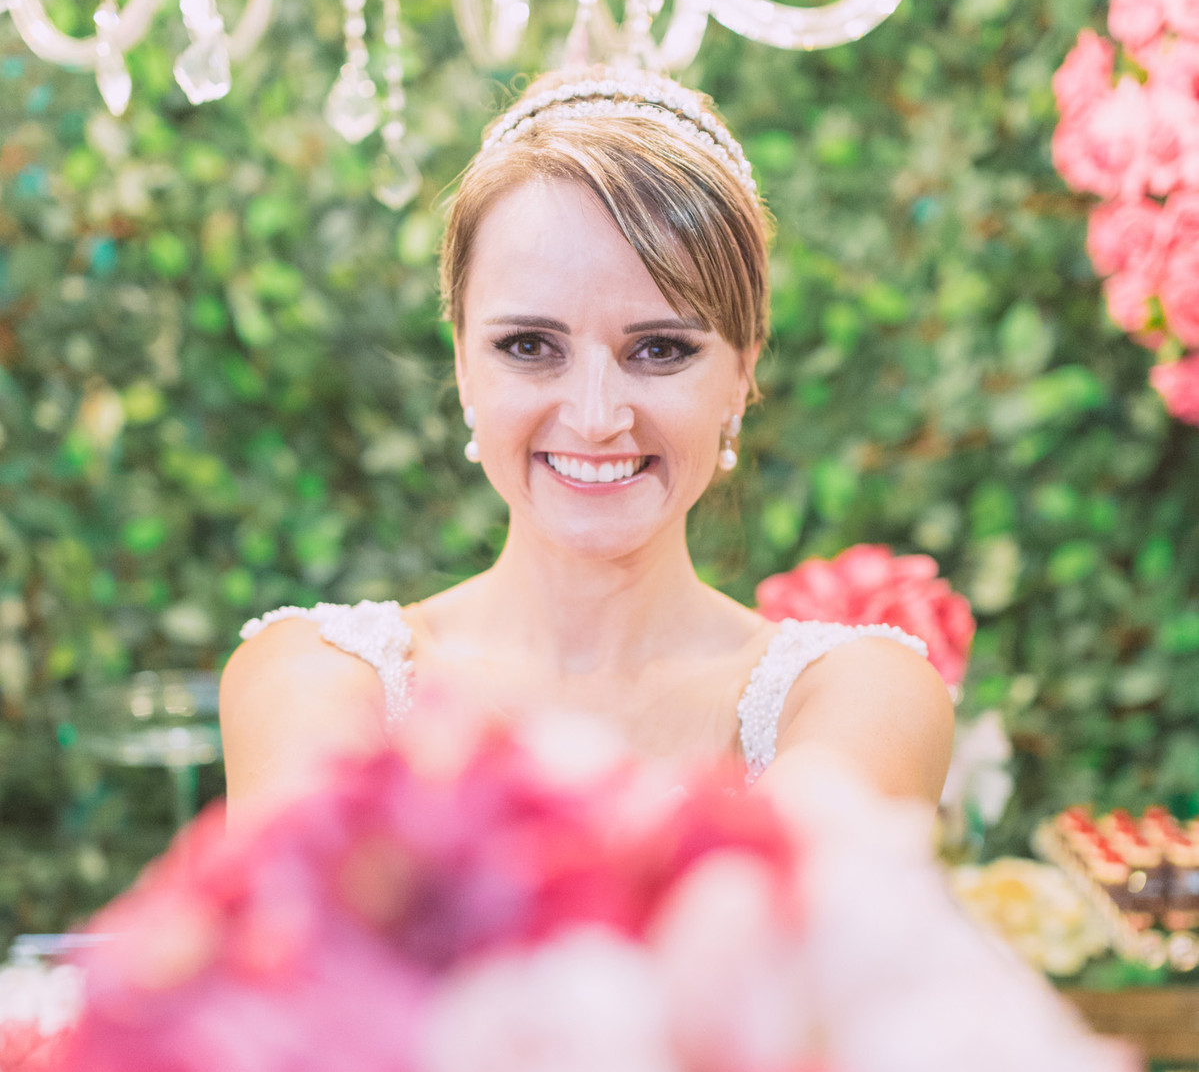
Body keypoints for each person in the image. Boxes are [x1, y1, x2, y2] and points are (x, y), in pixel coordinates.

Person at [221, 69, 953, 825]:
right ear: (462, 363)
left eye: (661, 350)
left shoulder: (855, 694)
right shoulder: (319, 677)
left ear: (742, 370)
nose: (597, 416)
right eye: (531, 345)